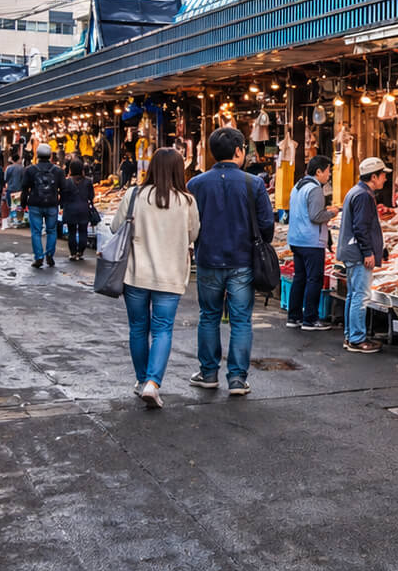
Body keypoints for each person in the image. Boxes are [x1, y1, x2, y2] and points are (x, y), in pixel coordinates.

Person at [186, 126, 273, 396]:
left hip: (208, 259)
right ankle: (237, 379)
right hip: (243, 261)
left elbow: (190, 225)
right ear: (238, 151)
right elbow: (267, 226)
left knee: (209, 316)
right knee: (241, 320)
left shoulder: (195, 184)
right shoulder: (254, 183)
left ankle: (208, 372)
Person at [120, 147, 200, 409]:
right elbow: (193, 235)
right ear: (179, 170)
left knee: (138, 328)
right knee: (162, 328)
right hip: (170, 275)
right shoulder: (187, 202)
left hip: (136, 274)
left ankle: (141, 379)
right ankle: (153, 384)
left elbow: (115, 226)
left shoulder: (135, 195)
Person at [337, 157, 388, 354]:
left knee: (353, 294)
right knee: (361, 296)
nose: (385, 179)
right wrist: (368, 252)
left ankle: (351, 336)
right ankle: (357, 339)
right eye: (383, 175)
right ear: (373, 176)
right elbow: (361, 227)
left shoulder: (356, 192)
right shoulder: (364, 196)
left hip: (351, 252)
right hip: (357, 253)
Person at [287, 156, 336, 331]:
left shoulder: (298, 186)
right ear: (319, 171)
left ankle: (294, 317)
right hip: (311, 241)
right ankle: (310, 319)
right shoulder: (315, 189)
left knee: (299, 278)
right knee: (314, 279)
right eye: (328, 171)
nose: (329, 175)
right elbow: (316, 216)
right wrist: (332, 213)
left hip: (296, 239)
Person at [20, 144, 66, 268]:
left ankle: (39, 257)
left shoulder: (30, 170)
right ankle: (50, 255)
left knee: (36, 232)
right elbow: (64, 189)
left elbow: (24, 189)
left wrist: (22, 204)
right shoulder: (58, 171)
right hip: (52, 204)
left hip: (35, 204)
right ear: (51, 155)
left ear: (37, 155)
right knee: (51, 231)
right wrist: (61, 204)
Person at [59, 158, 98, 262]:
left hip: (70, 209)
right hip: (84, 209)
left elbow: (62, 196)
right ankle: (80, 252)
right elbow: (91, 196)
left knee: (71, 232)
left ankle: (72, 253)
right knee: (83, 231)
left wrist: (62, 206)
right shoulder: (88, 181)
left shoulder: (66, 182)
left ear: (70, 169)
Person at [3, 155, 26, 227]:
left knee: (11, 206)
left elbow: (5, 179)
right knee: (18, 206)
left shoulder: (9, 168)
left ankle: (12, 220)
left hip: (10, 189)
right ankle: (18, 220)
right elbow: (24, 180)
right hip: (19, 190)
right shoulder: (22, 169)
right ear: (18, 159)